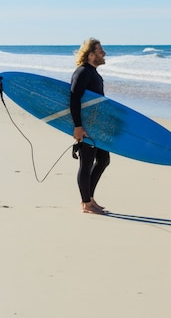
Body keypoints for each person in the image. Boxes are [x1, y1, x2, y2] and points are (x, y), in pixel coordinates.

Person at [70, 38, 110, 214]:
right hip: (86, 126)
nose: (104, 53)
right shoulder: (83, 72)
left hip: (96, 125)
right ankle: (86, 203)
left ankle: (90, 198)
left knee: (103, 160)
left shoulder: (94, 74)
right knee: (85, 164)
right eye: (101, 50)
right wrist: (78, 126)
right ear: (91, 54)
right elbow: (74, 98)